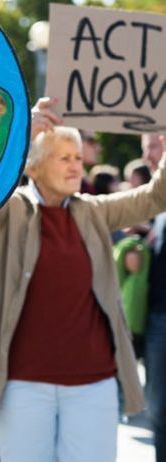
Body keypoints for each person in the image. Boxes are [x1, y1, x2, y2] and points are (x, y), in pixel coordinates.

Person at [0, 96, 166, 462]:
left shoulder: (93, 211)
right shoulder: (13, 209)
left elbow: (156, 197)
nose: (75, 166)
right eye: (63, 157)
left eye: (78, 158)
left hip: (92, 385)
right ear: (33, 166)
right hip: (23, 385)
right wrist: (22, 134)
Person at [142, 133, 166, 462]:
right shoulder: (156, 205)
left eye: (156, 146)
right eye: (146, 148)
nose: (151, 155)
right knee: (159, 413)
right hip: (158, 319)